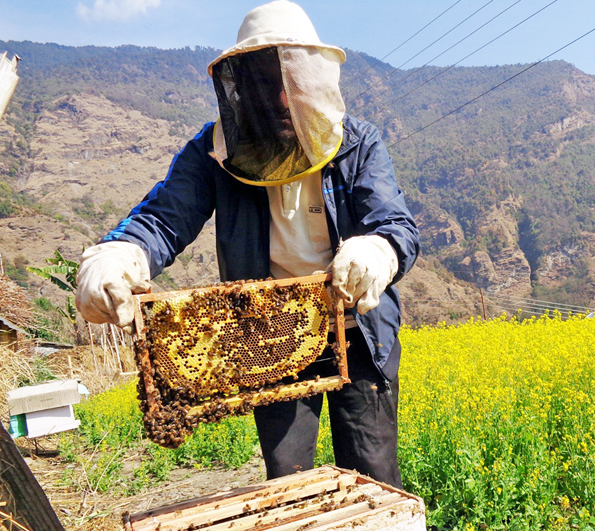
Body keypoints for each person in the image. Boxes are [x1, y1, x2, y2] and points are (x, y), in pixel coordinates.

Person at [75, 0, 419, 489]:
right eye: (262, 81)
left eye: (291, 81)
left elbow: (396, 225)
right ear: (239, 88)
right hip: (271, 336)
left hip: (359, 331)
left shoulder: (358, 144)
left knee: (372, 475)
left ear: (312, 80)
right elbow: (162, 219)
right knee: (287, 477)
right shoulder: (213, 154)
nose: (280, 98)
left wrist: (377, 252)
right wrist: (117, 255)